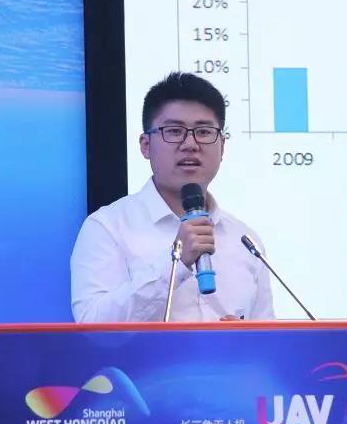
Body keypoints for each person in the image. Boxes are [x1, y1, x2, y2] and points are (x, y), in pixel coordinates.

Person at [71, 72, 275, 322]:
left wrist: (245, 339)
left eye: (203, 131)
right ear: (145, 145)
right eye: (175, 131)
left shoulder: (244, 240)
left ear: (222, 146)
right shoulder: (107, 228)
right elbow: (91, 325)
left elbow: (267, 336)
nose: (190, 144)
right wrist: (176, 263)